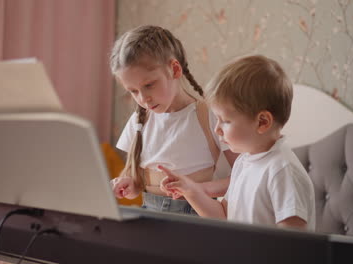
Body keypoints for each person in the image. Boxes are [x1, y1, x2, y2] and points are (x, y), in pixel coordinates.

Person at [160, 55, 316, 230]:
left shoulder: (282, 171)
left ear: (262, 122)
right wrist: (190, 191)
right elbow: (223, 215)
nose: (217, 129)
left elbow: (293, 243)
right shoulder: (244, 162)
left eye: (225, 121)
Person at [109, 25, 237, 215]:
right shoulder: (140, 120)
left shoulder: (208, 115)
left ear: (175, 69)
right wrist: (129, 183)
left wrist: (200, 190)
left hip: (197, 215)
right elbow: (137, 180)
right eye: (133, 91)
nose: (143, 99)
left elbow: (243, 177)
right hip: (149, 214)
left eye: (149, 85)